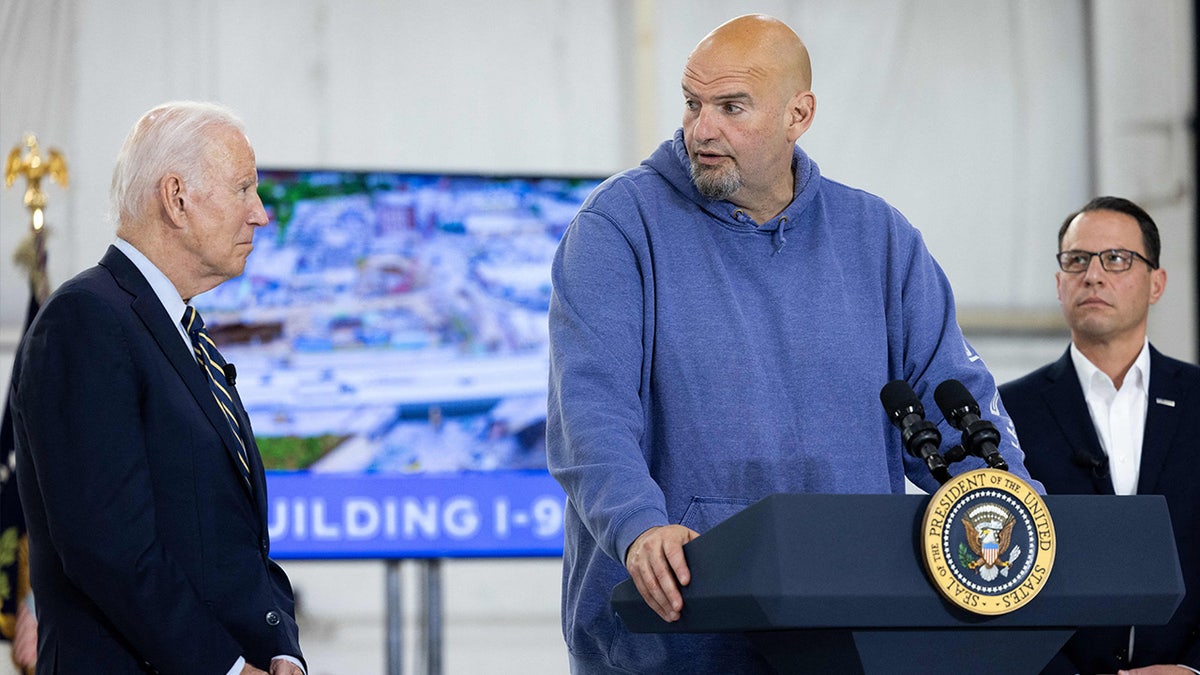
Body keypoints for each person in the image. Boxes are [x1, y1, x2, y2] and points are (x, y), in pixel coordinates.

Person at [546, 14, 1040, 674]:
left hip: (848, 626)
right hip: (673, 635)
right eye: (693, 104)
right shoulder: (616, 227)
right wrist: (638, 523)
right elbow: (590, 414)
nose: (702, 128)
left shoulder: (881, 239)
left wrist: (1015, 510)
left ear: (798, 114)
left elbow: (955, 404)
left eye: (731, 107)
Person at [10, 101, 305, 674]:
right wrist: (225, 667)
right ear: (176, 198)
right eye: (244, 189)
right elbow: (109, 550)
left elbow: (236, 545)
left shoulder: (186, 337)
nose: (261, 215)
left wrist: (281, 651)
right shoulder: (85, 321)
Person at [1000, 196, 1200, 675]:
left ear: (1157, 283)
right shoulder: (1007, 413)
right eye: (1076, 260)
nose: (1093, 275)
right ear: (1058, 282)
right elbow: (998, 577)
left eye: (1116, 259)